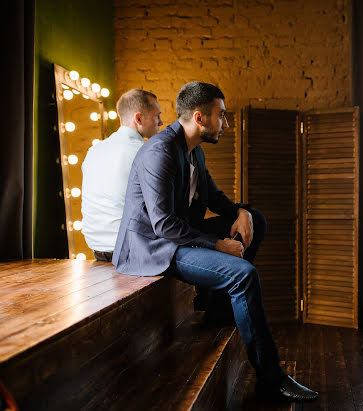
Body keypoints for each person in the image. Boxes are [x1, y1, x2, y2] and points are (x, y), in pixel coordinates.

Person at [112, 81, 318, 402]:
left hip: (178, 237)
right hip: (153, 247)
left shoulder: (195, 152)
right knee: (243, 275)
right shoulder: (160, 151)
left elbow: (214, 198)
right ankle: (270, 378)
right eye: (221, 116)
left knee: (256, 220)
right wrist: (218, 245)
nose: (226, 123)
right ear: (200, 118)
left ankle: (220, 310)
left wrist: (240, 212)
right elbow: (163, 224)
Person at [81, 89, 163, 261]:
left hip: (97, 247)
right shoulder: (143, 153)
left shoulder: (94, 150)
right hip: (129, 249)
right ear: (138, 118)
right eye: (157, 116)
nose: (161, 122)